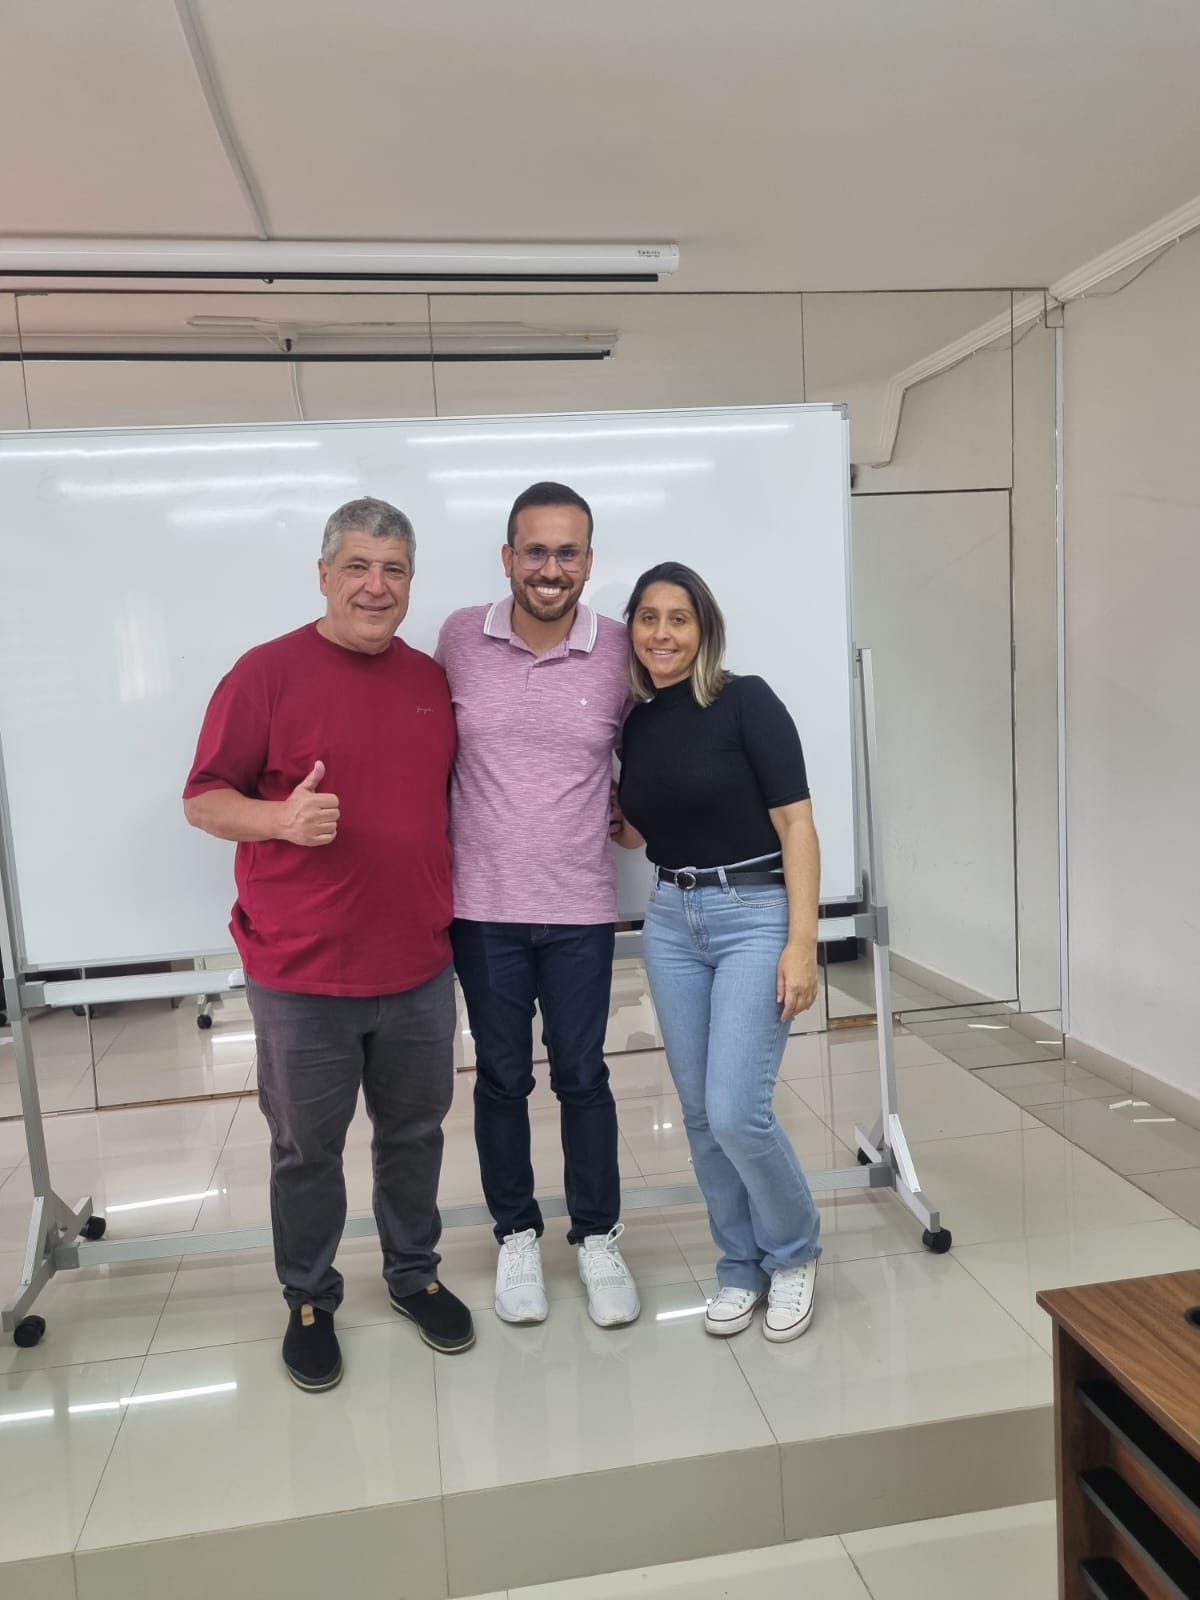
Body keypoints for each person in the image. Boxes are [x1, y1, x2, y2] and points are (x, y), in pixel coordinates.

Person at [182, 496, 474, 1392]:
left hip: (419, 966)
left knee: (415, 1135)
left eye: (394, 570)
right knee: (306, 1151)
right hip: (301, 974)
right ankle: (309, 1298)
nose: (376, 586)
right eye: (357, 566)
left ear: (411, 581)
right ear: (323, 575)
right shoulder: (265, 673)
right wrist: (279, 819)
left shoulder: (430, 681)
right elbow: (203, 799)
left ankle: (415, 1274)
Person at [436, 481, 640, 1329]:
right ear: (508, 557)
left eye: (567, 552)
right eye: (535, 551)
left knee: (584, 1076)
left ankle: (597, 1237)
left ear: (588, 561)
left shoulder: (622, 647)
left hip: (581, 909)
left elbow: (652, 753)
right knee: (502, 1078)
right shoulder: (459, 638)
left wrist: (637, 815)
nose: (549, 569)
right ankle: (516, 1234)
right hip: (482, 909)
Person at [613, 561, 822, 1343]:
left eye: (679, 618)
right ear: (632, 630)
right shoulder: (637, 723)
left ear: (704, 630)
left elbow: (797, 824)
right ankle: (740, 1264)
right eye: (648, 618)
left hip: (754, 914)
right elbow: (648, 825)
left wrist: (802, 941)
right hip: (671, 918)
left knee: (738, 1110)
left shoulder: (746, 701)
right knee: (701, 1115)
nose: (662, 633)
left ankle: (793, 1252)